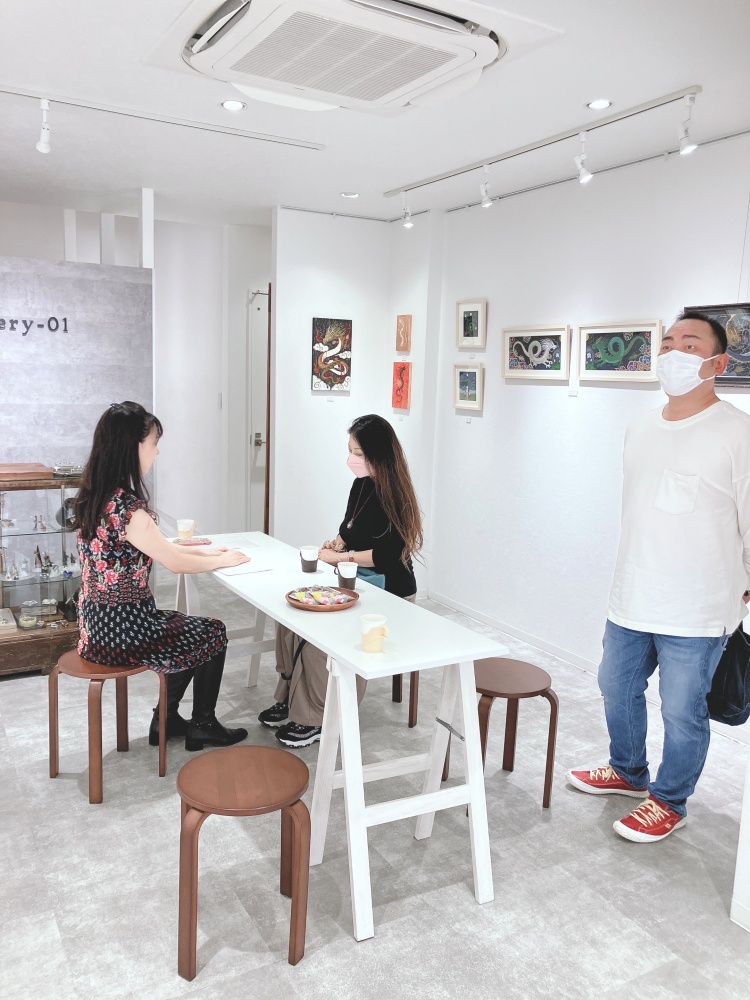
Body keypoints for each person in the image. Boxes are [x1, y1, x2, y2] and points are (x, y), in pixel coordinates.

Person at [567, 311, 750, 842]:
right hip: (633, 591)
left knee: (682, 710)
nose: (673, 353)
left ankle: (670, 799)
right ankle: (628, 771)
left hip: (699, 605)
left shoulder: (738, 432)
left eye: (689, 344)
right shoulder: (640, 427)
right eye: (667, 343)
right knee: (615, 686)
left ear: (718, 362)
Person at [74, 401, 251, 751]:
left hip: (94, 627)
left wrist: (206, 553)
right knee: (211, 631)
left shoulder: (94, 499)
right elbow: (175, 563)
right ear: (132, 447)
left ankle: (166, 721)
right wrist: (223, 560)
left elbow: (157, 548)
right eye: (154, 443)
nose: (157, 451)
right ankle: (202, 725)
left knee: (183, 630)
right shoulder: (129, 510)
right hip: (128, 630)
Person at [258, 414, 424, 747]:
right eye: (349, 450)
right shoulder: (362, 484)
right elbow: (350, 527)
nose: (351, 459)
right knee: (290, 620)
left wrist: (341, 558)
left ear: (378, 455)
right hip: (353, 582)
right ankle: (290, 697)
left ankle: (317, 717)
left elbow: (388, 555)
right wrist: (337, 543)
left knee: (323, 638)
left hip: (389, 591)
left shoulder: (395, 496)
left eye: (358, 453)